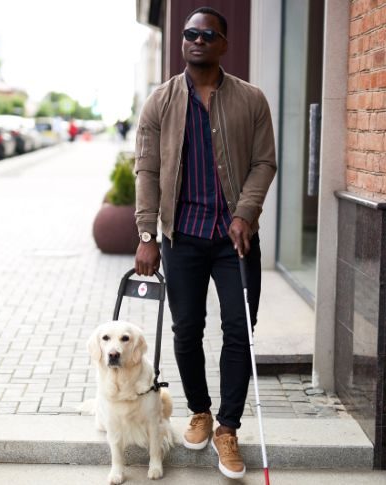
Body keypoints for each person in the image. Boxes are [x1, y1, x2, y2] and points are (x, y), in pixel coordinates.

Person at [132, 6, 277, 480]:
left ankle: (228, 428)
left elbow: (264, 162)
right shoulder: (160, 102)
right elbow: (146, 170)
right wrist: (147, 235)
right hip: (183, 237)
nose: (197, 40)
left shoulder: (252, 99)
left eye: (207, 34)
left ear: (223, 44)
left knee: (239, 329)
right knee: (186, 330)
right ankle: (200, 410)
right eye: (190, 33)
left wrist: (245, 213)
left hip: (235, 239)